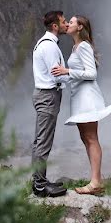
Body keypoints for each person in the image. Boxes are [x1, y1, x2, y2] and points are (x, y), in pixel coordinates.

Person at [51, 15, 111, 196]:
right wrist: (61, 75)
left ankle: (96, 182)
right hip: (79, 97)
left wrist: (67, 71)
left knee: (91, 138)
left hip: (87, 98)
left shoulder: (84, 46)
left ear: (79, 27)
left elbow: (91, 73)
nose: (68, 24)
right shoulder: (75, 47)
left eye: (71, 22)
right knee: (86, 138)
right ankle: (95, 181)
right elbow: (77, 73)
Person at [30, 11, 70, 198]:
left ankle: (41, 181)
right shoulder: (50, 47)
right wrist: (80, 77)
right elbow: (58, 74)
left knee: (40, 141)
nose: (66, 24)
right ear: (55, 26)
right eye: (63, 22)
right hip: (47, 96)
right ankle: (39, 186)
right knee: (43, 143)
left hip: (45, 95)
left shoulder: (45, 43)